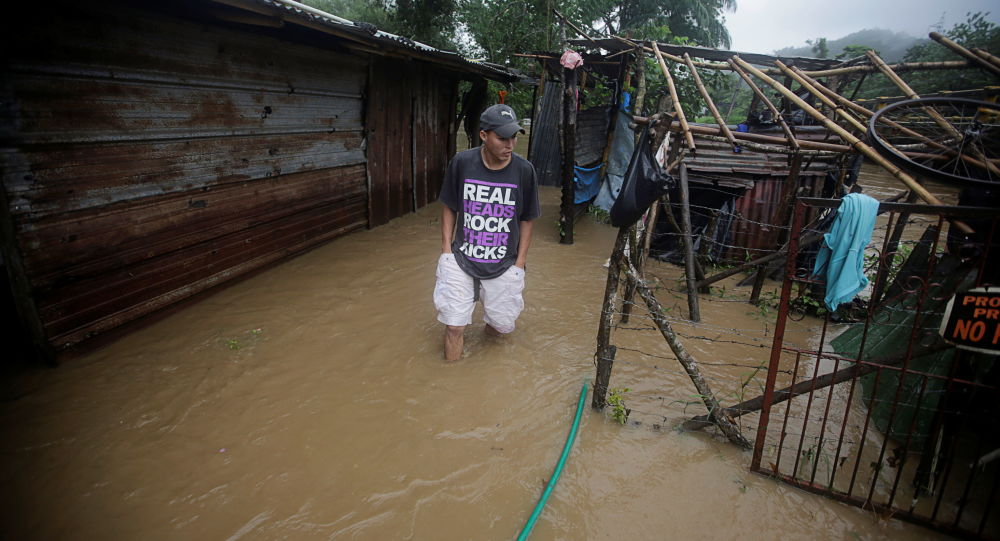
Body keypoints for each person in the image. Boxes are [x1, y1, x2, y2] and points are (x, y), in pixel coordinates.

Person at [433, 104, 540, 361]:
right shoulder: (462, 163)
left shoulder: (524, 171)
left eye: (514, 137)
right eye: (502, 138)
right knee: (454, 325)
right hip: (461, 259)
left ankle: (487, 375)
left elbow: (527, 219)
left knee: (498, 327)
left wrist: (520, 263)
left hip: (504, 262)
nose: (510, 144)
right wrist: (446, 250)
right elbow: (449, 206)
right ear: (484, 135)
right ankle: (450, 383)